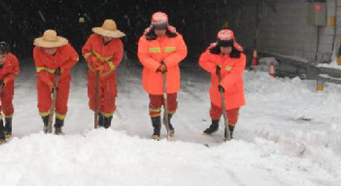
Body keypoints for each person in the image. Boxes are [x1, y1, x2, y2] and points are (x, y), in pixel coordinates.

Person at [137, 12, 188, 140]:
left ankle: (167, 121)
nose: (160, 32)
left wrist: (167, 63)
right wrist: (157, 66)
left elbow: (182, 52)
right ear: (153, 27)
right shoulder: (145, 39)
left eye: (162, 29)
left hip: (171, 78)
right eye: (157, 29)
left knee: (171, 105)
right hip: (153, 78)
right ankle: (156, 129)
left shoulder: (176, 37)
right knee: (155, 105)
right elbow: (142, 56)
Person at [198, 29, 247, 138]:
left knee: (232, 114)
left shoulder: (240, 56)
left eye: (227, 47)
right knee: (215, 110)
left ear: (232, 45)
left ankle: (229, 131)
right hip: (217, 88)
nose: (225, 49)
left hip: (233, 90)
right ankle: (214, 125)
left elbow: (236, 73)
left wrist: (224, 84)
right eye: (222, 47)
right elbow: (202, 61)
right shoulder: (212, 52)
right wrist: (214, 68)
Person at [33, 29, 79, 134]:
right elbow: (40, 70)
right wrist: (49, 84)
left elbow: (75, 58)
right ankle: (46, 124)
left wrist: (63, 68)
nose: (48, 51)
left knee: (61, 104)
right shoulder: (37, 50)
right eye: (46, 48)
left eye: (51, 48)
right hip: (44, 79)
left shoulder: (66, 48)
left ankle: (58, 127)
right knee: (43, 104)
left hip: (62, 79)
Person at [82, 19, 125, 128]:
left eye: (111, 35)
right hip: (93, 74)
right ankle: (99, 119)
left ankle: (107, 124)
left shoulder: (118, 44)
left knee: (109, 99)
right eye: (106, 34)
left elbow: (117, 59)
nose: (108, 36)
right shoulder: (93, 39)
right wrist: (93, 59)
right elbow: (85, 51)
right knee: (95, 98)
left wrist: (104, 67)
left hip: (108, 76)